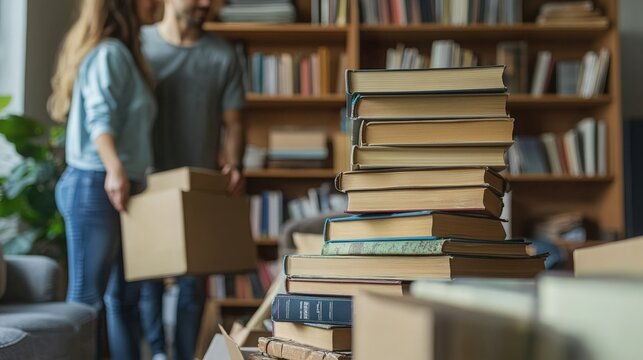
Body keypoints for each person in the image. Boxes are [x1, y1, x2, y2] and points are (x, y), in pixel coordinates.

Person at [49, 0, 161, 358]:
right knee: (87, 302)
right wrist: (115, 170)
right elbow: (100, 120)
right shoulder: (109, 54)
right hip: (97, 184)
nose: (156, 2)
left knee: (124, 301)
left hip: (121, 186)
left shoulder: (125, 56)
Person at [139, 0, 246, 359]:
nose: (206, 4)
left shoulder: (223, 55)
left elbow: (233, 123)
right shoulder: (138, 44)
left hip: (198, 187)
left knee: (192, 289)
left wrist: (233, 163)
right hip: (146, 184)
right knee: (146, 282)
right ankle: (156, 354)